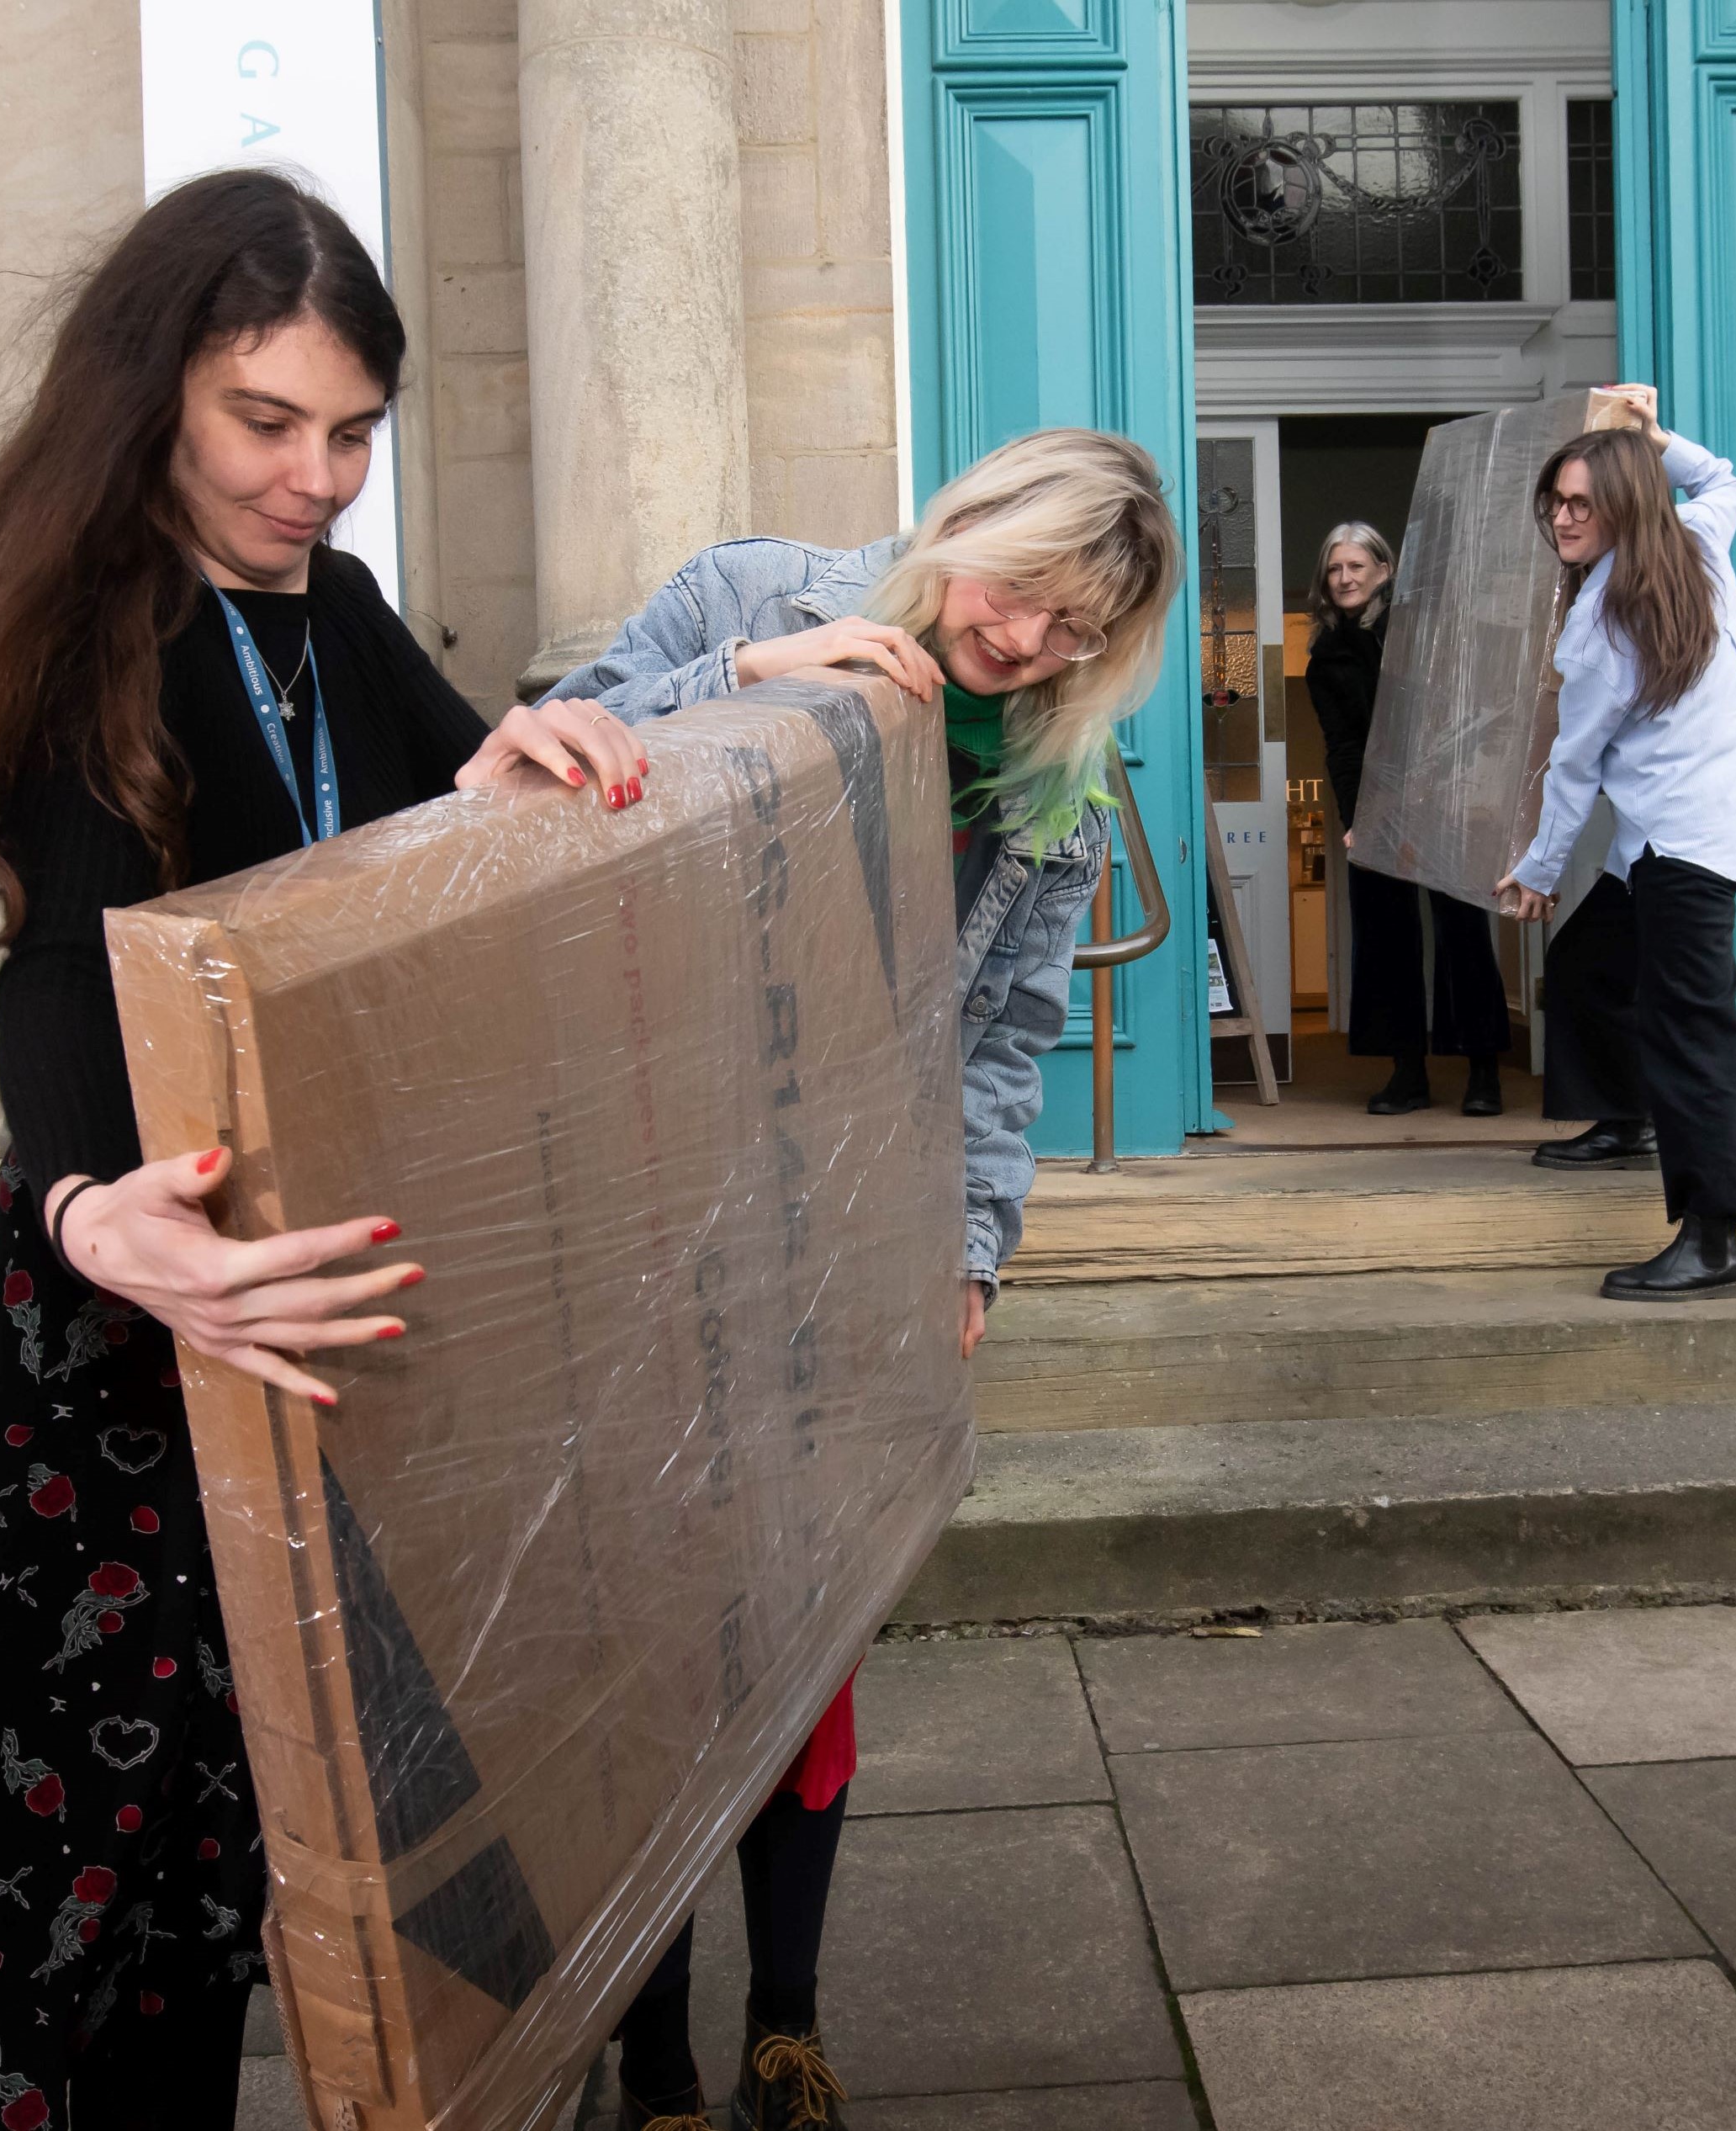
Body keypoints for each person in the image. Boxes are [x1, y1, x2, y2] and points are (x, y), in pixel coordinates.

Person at [0, 170, 621, 2131]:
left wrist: (626, 723)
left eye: (352, 429)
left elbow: (468, 781)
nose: (317, 476)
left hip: (311, 1291)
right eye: (264, 423)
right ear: (156, 400)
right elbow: (67, 940)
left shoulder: (333, 608)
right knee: (110, 1865)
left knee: (317, 1833)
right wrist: (85, 1202)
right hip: (141, 1294)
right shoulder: (92, 623)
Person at [459, 429, 1183, 2130]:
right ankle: (648, 2049)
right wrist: (746, 678)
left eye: (1080, 633)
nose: (1027, 647)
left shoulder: (1058, 775)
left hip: (834, 1239)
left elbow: (1002, 1034)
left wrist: (968, 1246)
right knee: (635, 1653)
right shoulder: (748, 596)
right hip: (630, 1217)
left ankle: (785, 2017)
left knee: (800, 1644)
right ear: (962, 526)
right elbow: (509, 799)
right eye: (1023, 594)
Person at [1496, 384, 1736, 1301]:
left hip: (1677, 844)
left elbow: (1573, 767)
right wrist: (1656, 440)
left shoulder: (1601, 621)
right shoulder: (1696, 543)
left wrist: (1535, 872)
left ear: (1621, 506)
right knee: (1586, 965)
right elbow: (1722, 477)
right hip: (1684, 827)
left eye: (1582, 503)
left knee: (1689, 1029)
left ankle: (1712, 1235)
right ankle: (1623, 1117)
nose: (1563, 519)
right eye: (1557, 502)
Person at [1302, 523, 1510, 1115]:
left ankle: (1484, 1070)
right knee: (1386, 937)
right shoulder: (1325, 659)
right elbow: (1342, 747)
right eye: (1334, 569)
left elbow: (1472, 714)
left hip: (1446, 799)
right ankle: (1407, 1073)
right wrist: (1355, 816)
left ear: (1384, 571)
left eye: (1356, 567)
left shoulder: (1425, 633)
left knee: (1464, 932)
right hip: (1381, 808)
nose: (1344, 578)